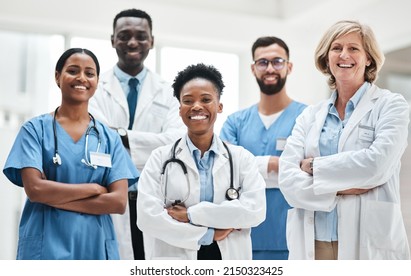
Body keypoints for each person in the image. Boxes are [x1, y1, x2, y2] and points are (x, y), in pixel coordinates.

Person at [278, 20, 411, 260]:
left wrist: (313, 167)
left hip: (368, 241)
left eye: (354, 48)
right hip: (313, 242)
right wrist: (344, 188)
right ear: (326, 58)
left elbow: (376, 165)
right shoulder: (309, 115)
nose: (344, 55)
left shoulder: (391, 105)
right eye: (336, 48)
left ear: (368, 58)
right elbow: (288, 182)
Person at [2, 48, 139, 260]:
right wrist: (92, 188)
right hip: (46, 243)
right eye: (73, 71)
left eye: (89, 73)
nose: (81, 78)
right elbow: (36, 189)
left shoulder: (108, 138)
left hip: (94, 244)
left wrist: (54, 198)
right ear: (58, 76)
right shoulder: (34, 130)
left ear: (96, 81)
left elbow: (118, 202)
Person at [136, 63, 266, 260]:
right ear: (180, 109)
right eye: (188, 101)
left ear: (219, 106)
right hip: (176, 257)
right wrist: (208, 234)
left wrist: (190, 215)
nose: (196, 106)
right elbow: (147, 218)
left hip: (228, 255)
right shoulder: (159, 158)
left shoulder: (241, 159)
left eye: (206, 99)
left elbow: (254, 211)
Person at [88, 9, 185, 260]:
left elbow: (174, 144)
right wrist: (146, 145)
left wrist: (119, 136)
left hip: (154, 196)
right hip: (110, 196)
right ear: (112, 40)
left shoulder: (168, 92)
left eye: (141, 36)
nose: (132, 42)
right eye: (124, 36)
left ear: (152, 40)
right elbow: (97, 140)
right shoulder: (95, 88)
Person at [219, 36, 306, 260]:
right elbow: (224, 173)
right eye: (262, 62)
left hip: (292, 238)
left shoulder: (308, 118)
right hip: (241, 237)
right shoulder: (235, 122)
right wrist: (275, 165)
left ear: (289, 66)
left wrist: (248, 170)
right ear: (253, 68)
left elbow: (309, 175)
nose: (270, 68)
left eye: (277, 61)